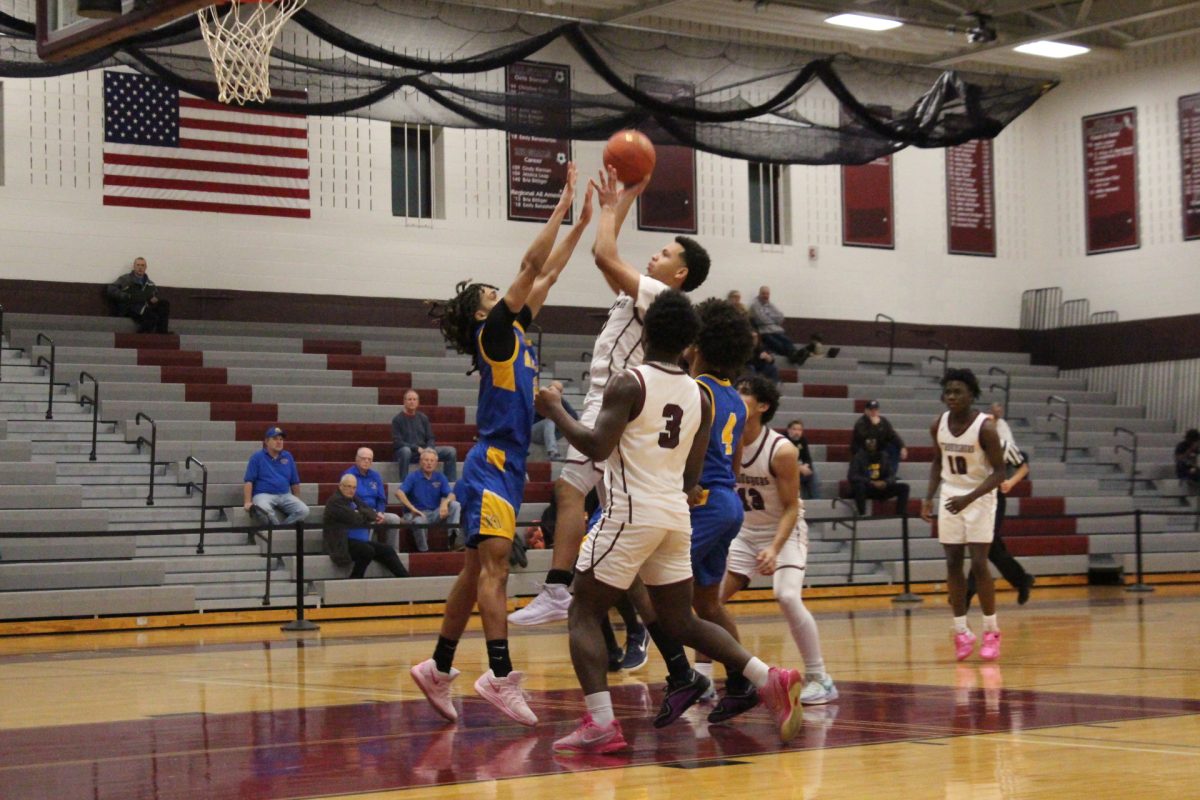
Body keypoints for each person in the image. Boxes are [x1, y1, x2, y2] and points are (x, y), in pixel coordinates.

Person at [534, 290, 803, 755]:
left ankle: (601, 723)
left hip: (630, 511)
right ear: (686, 341)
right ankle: (767, 677)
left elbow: (596, 447)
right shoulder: (700, 396)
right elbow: (692, 476)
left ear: (647, 331)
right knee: (681, 619)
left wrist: (555, 408)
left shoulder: (628, 382)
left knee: (582, 608)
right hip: (676, 515)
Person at [409, 164, 591, 727]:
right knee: (495, 572)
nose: (501, 289)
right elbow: (532, 264)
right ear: (482, 312)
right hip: (492, 462)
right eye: (491, 291)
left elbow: (549, 274)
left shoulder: (511, 332)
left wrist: (582, 225)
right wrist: (561, 206)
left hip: (504, 465)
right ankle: (499, 673)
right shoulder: (493, 332)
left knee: (473, 574)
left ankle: (438, 668)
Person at [508, 165, 711, 627]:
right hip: (615, 400)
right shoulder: (646, 296)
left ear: (679, 273)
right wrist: (623, 199)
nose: (653, 256)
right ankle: (654, 643)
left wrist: (606, 210)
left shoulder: (658, 294)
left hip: (617, 400)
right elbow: (608, 252)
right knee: (617, 540)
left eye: (663, 253)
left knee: (568, 489)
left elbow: (602, 255)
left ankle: (558, 587)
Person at [718, 375, 837, 717]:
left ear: (763, 406)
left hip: (783, 530)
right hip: (742, 531)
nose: (735, 396)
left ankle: (820, 676)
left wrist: (773, 548)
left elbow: (790, 508)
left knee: (785, 595)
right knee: (709, 602)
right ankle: (704, 677)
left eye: (744, 393)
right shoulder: (726, 440)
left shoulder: (782, 449)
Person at [683, 298, 753, 702]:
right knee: (708, 604)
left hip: (702, 500)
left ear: (696, 343)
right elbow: (737, 462)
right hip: (727, 500)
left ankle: (684, 677)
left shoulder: (694, 391)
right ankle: (741, 682)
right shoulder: (733, 398)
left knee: (654, 587)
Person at [921, 369, 1007, 662]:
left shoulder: (986, 429)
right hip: (950, 496)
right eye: (948, 392)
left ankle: (991, 631)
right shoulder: (938, 425)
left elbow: (1000, 473)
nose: (952, 397)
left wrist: (968, 498)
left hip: (979, 497)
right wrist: (928, 497)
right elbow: (936, 461)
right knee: (952, 561)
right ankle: (961, 631)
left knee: (979, 563)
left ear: (972, 394)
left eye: (958, 392)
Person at [966, 403, 1035, 607]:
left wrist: (1010, 482)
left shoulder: (1004, 445)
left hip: (995, 498)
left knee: (983, 544)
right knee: (992, 547)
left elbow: (1023, 467)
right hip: (977, 498)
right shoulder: (971, 447)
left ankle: (967, 592)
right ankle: (1022, 580)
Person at [323, 474, 409, 578]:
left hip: (357, 541)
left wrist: (361, 513)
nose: (351, 490)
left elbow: (369, 511)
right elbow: (355, 519)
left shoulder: (353, 498)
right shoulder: (335, 501)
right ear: (341, 486)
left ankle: (405, 578)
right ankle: (355, 579)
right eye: (348, 486)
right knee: (367, 550)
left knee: (387, 549)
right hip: (341, 542)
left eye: (354, 487)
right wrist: (364, 515)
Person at [395, 450, 461, 552]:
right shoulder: (413, 476)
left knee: (455, 505)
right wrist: (412, 508)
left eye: (432, 461)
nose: (429, 463)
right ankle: (424, 551)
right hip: (418, 514)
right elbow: (399, 493)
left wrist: (445, 503)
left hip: (434, 513)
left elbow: (452, 495)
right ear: (421, 462)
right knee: (418, 521)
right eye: (426, 460)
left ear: (436, 463)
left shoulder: (440, 477)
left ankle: (452, 539)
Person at [242, 426, 309, 526]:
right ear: (266, 441)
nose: (279, 442)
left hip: (285, 494)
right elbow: (249, 481)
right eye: (275, 439)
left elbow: (294, 482)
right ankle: (276, 530)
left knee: (304, 510)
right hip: (263, 494)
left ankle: (281, 529)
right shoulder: (257, 457)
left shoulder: (288, 456)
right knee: (263, 509)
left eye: (281, 439)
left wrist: (297, 499)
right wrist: (247, 502)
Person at [342, 447, 403, 549]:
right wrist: (367, 513)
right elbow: (347, 498)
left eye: (369, 459)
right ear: (356, 459)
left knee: (394, 519)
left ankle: (393, 550)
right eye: (363, 458)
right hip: (359, 512)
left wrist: (380, 512)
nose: (366, 461)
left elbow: (381, 498)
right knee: (369, 519)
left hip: (375, 512)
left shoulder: (375, 476)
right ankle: (368, 550)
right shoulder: (349, 475)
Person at [391, 389, 458, 481]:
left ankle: (450, 483)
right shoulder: (397, 420)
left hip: (424, 451)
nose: (412, 402)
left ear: (418, 402)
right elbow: (397, 442)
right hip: (408, 453)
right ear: (404, 402)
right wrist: (416, 448)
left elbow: (430, 437)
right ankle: (404, 482)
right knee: (405, 451)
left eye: (414, 399)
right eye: (409, 399)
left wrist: (429, 449)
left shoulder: (423, 418)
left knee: (451, 451)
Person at [847, 437, 911, 516]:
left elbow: (891, 475)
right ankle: (861, 513)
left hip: (880, 487)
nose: (871, 443)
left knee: (904, 487)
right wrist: (871, 482)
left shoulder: (884, 456)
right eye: (869, 441)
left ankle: (900, 514)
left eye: (873, 441)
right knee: (859, 486)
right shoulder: (858, 457)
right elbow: (852, 476)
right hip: (866, 487)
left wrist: (885, 482)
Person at [106, 257, 170, 333]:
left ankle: (162, 332)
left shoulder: (150, 284)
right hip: (130, 306)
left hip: (145, 306)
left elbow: (154, 295)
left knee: (164, 304)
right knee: (151, 317)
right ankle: (140, 337)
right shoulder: (125, 279)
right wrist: (126, 296)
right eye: (138, 265)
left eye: (142, 265)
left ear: (146, 267)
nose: (140, 267)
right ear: (134, 266)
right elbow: (111, 289)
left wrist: (154, 299)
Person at [748, 285, 805, 364]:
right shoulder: (755, 305)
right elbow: (762, 319)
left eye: (767, 294)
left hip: (776, 330)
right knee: (777, 344)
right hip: (764, 331)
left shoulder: (771, 305)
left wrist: (769, 316)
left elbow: (781, 317)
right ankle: (794, 356)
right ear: (759, 294)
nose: (765, 296)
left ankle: (795, 355)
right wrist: (773, 319)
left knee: (787, 341)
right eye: (763, 294)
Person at [851, 400, 908, 474]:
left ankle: (890, 474)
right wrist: (874, 425)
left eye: (876, 410)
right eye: (871, 410)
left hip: (880, 448)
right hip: (864, 449)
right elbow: (868, 440)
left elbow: (892, 435)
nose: (874, 412)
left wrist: (902, 446)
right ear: (866, 411)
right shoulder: (861, 423)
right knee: (874, 451)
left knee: (894, 448)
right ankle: (869, 474)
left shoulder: (883, 421)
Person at [531, 385, 579, 460]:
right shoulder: (541, 399)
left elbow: (574, 416)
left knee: (567, 422)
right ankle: (552, 452)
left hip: (552, 433)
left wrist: (560, 413)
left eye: (559, 392)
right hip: (534, 431)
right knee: (550, 420)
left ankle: (575, 453)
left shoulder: (562, 402)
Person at [785, 419, 819, 500]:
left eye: (800, 430)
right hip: (784, 467)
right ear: (788, 430)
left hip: (798, 466)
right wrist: (799, 467)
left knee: (812, 471)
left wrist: (806, 465)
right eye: (794, 429)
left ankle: (816, 500)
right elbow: (784, 460)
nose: (797, 432)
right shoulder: (783, 440)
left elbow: (807, 458)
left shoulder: (802, 440)